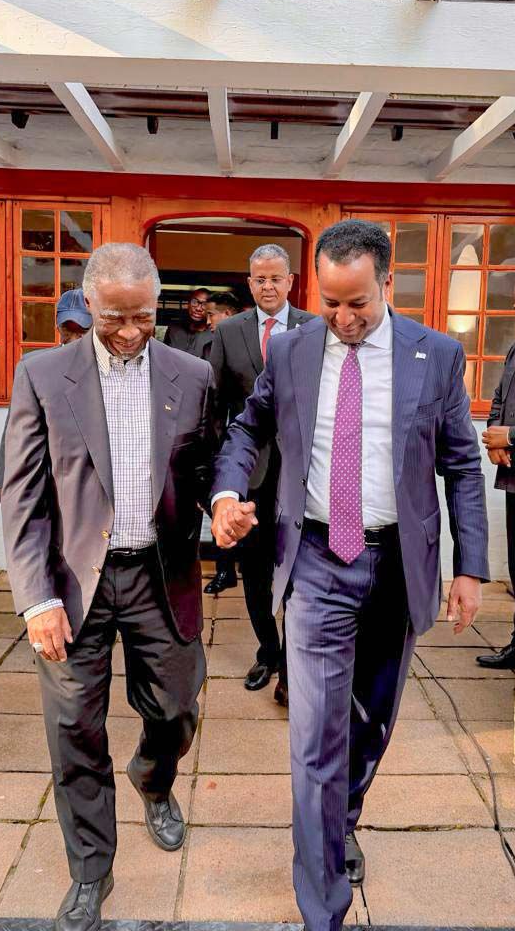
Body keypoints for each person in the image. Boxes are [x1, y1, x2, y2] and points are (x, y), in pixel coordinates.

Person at [211, 220, 489, 931]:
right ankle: (323, 907)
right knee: (314, 739)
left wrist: (470, 567)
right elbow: (248, 426)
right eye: (330, 302)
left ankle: (342, 819)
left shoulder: (436, 354)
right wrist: (226, 493)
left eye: (357, 302)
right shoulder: (293, 350)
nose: (342, 318)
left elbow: (462, 464)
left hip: (398, 564)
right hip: (316, 561)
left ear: (386, 283)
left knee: (372, 722)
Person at [0, 243, 215, 931]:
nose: (128, 331)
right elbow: (21, 495)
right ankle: (91, 869)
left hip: (160, 575)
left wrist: (227, 503)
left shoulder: (193, 375)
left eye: (142, 316)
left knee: (176, 709)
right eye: (114, 317)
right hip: (71, 585)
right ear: (88, 303)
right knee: (74, 732)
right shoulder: (41, 375)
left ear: (158, 304)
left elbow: (207, 469)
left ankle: (152, 776)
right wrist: (37, 599)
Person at [207, 245, 314, 703]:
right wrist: (220, 473)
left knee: (299, 570)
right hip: (250, 473)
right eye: (259, 279)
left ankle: (293, 660)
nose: (268, 287)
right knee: (253, 570)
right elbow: (215, 405)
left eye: (275, 278)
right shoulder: (229, 331)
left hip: (301, 474)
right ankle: (268, 649)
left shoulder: (314, 327)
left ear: (290, 281)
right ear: (249, 284)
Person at [477, 267, 515, 671]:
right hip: (514, 478)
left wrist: (511, 436)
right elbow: (499, 396)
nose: (513, 305)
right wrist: (496, 438)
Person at [0, 289, 92, 498]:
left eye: (82, 329)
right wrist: (4, 479)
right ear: (58, 327)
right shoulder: (35, 368)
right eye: (68, 329)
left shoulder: (108, 370)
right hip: (48, 482)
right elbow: (15, 430)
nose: (75, 337)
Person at [196, 290, 245, 595]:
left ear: (227, 315)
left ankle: (234, 567)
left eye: (212, 314)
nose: (208, 320)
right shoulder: (207, 345)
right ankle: (225, 568)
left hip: (243, 440)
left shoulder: (245, 344)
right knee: (217, 503)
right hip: (214, 438)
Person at [162, 286, 211, 354]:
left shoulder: (213, 336)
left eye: (205, 304)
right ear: (188, 304)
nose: (198, 308)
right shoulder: (173, 330)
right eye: (194, 302)